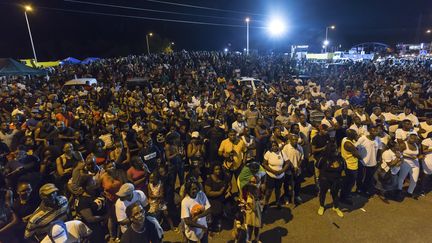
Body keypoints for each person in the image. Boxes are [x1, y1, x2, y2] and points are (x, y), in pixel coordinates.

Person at [316, 143, 344, 217]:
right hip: (325, 179)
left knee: (335, 194)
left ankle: (336, 207)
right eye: (333, 150)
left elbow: (343, 167)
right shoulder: (323, 158)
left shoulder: (340, 158)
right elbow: (318, 166)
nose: (336, 151)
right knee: (323, 193)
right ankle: (322, 206)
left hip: (336, 180)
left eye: (335, 149)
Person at [356, 125, 383, 196]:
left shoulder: (378, 139)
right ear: (369, 131)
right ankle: (358, 189)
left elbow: (379, 150)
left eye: (376, 131)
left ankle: (364, 190)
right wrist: (359, 158)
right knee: (360, 177)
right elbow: (355, 147)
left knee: (368, 178)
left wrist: (378, 160)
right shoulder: (363, 138)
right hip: (362, 162)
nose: (375, 132)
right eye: (373, 131)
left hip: (372, 163)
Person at [263, 141, 289, 209]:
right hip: (270, 176)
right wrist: (273, 171)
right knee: (269, 190)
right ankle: (266, 202)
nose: (274, 147)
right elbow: (264, 164)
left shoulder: (282, 153)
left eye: (275, 145)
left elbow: (287, 163)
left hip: (280, 176)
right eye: (272, 146)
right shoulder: (268, 153)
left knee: (278, 190)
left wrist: (282, 171)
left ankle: (278, 202)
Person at [204, 164, 230, 232]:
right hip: (212, 199)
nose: (218, 171)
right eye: (216, 169)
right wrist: (219, 192)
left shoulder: (223, 177)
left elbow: (229, 184)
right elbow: (208, 193)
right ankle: (212, 226)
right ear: (213, 170)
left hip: (222, 197)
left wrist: (228, 189)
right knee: (215, 211)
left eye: (219, 169)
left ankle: (221, 219)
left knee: (228, 209)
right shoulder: (209, 180)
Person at [340, 129, 362, 205]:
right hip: (351, 166)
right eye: (355, 134)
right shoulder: (349, 145)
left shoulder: (344, 139)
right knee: (350, 183)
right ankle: (344, 197)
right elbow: (358, 156)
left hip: (348, 164)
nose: (356, 135)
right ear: (351, 136)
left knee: (347, 182)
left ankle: (344, 195)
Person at [282, 134, 304, 205]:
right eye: (293, 140)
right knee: (287, 184)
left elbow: (301, 158)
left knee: (297, 183)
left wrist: (297, 166)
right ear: (290, 140)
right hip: (288, 169)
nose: (295, 141)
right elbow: (285, 158)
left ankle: (297, 196)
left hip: (297, 169)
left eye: (296, 140)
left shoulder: (300, 147)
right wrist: (291, 167)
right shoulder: (286, 147)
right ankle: (286, 196)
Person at [397, 133, 421, 199]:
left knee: (414, 179)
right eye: (412, 138)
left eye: (415, 139)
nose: (413, 140)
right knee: (402, 178)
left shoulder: (417, 145)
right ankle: (399, 191)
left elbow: (418, 154)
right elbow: (398, 153)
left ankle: (409, 192)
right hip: (405, 162)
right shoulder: (403, 144)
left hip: (416, 163)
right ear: (408, 137)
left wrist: (419, 157)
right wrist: (409, 157)